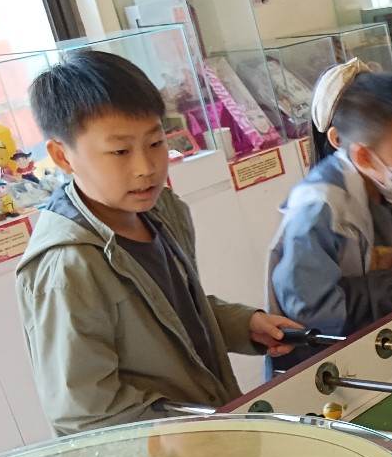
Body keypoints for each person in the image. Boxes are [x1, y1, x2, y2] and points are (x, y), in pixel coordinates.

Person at [16, 50, 297, 435]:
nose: (146, 168)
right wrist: (182, 433)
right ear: (62, 157)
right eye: (120, 151)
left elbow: (174, 313)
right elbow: (84, 411)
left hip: (211, 430)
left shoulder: (163, 211)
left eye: (155, 142)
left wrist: (243, 324)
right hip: (160, 455)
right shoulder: (67, 268)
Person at [267, 61, 392, 370]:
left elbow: (378, 258)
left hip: (375, 350)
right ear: (361, 153)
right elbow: (310, 308)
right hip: (324, 369)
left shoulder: (387, 189)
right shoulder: (318, 207)